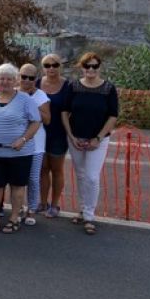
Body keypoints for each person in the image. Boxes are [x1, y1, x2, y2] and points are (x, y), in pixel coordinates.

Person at [0, 63, 41, 234]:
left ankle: (13, 218)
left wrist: (24, 139)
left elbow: (36, 122)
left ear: (15, 80)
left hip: (19, 152)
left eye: (9, 79)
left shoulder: (26, 100)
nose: (5, 82)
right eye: (1, 78)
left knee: (18, 186)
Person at [61, 52, 119, 235]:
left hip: (98, 140)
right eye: (87, 66)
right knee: (80, 175)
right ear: (82, 68)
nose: (91, 70)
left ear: (100, 67)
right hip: (76, 138)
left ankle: (89, 215)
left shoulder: (109, 88)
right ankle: (83, 208)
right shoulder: (74, 86)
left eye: (94, 66)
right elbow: (64, 111)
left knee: (92, 177)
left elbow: (113, 116)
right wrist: (71, 135)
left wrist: (98, 138)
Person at [37, 53, 70, 218]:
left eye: (55, 65)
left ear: (60, 66)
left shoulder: (68, 86)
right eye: (47, 65)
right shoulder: (36, 83)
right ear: (43, 68)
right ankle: (43, 203)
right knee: (42, 169)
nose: (51, 68)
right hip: (39, 134)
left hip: (58, 134)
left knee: (57, 170)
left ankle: (55, 204)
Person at [18, 64, 51, 226]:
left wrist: (31, 103)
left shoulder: (41, 96)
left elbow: (47, 119)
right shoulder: (14, 93)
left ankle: (31, 209)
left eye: (31, 78)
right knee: (16, 178)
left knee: (32, 178)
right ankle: (17, 208)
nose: (27, 80)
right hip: (16, 143)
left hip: (36, 144)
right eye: (24, 76)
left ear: (36, 79)